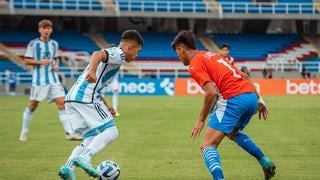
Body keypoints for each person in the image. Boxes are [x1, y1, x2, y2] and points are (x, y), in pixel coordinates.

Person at [171, 31, 275, 180]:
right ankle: (265, 162)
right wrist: (260, 100)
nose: (179, 57)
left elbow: (211, 93)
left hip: (234, 99)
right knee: (232, 133)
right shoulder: (212, 55)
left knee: (207, 146)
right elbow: (244, 76)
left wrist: (201, 119)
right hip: (251, 97)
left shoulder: (194, 65)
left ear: (181, 49)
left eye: (177, 54)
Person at [58, 30, 143, 180]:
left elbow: (98, 86)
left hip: (72, 99)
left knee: (90, 137)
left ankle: (68, 167)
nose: (137, 56)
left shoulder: (116, 58)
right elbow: (97, 54)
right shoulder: (120, 53)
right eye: (137, 51)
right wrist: (91, 70)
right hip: (85, 97)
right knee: (112, 131)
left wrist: (107, 104)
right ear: (131, 47)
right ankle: (86, 157)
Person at [19, 19, 81, 141]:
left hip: (53, 79)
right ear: (39, 30)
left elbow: (56, 58)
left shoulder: (54, 44)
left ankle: (69, 133)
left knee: (62, 103)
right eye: (44, 28)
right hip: (39, 80)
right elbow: (26, 60)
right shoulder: (33, 44)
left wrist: (56, 64)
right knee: (33, 105)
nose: (46, 30)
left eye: (48, 28)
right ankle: (24, 131)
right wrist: (41, 62)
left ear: (51, 30)